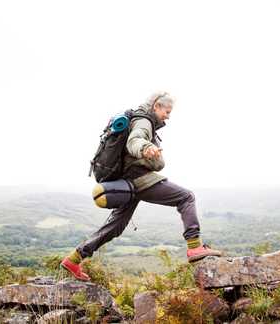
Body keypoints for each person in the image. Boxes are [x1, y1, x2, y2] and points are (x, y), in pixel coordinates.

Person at [61, 92, 222, 281]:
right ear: (156, 106)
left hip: (126, 184)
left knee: (115, 226)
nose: (168, 116)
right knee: (186, 197)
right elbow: (135, 140)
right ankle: (195, 246)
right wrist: (145, 148)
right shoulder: (144, 121)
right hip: (139, 180)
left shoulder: (138, 119)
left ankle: (74, 258)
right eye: (167, 111)